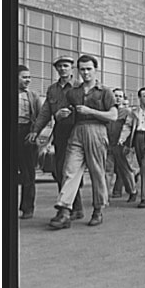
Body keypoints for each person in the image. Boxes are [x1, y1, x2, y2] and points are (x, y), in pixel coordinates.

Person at [49, 55, 118, 229]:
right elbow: (64, 111)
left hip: (97, 131)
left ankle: (98, 210)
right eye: (82, 69)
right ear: (78, 71)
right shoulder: (74, 92)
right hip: (77, 131)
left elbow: (113, 115)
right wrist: (59, 115)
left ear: (96, 70)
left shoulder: (105, 91)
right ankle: (64, 211)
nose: (85, 72)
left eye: (89, 69)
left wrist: (90, 111)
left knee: (97, 172)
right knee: (69, 170)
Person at [28, 56, 85, 220]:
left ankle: (83, 209)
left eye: (65, 66)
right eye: (59, 66)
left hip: (78, 130)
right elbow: (45, 111)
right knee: (59, 170)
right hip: (60, 132)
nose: (62, 69)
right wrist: (35, 130)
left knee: (70, 170)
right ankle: (75, 207)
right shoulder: (53, 89)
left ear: (72, 68)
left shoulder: (80, 87)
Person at [104, 88, 138, 203]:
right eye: (115, 96)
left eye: (120, 96)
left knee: (126, 170)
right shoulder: (107, 111)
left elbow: (129, 128)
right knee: (107, 170)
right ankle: (105, 196)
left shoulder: (127, 112)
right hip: (109, 145)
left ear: (123, 99)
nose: (117, 98)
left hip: (122, 146)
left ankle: (132, 191)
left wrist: (125, 142)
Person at [18, 65, 42, 219]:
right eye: (24, 77)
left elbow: (41, 117)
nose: (28, 80)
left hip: (27, 134)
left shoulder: (33, 95)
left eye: (29, 77)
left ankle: (27, 208)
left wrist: (36, 134)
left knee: (28, 173)